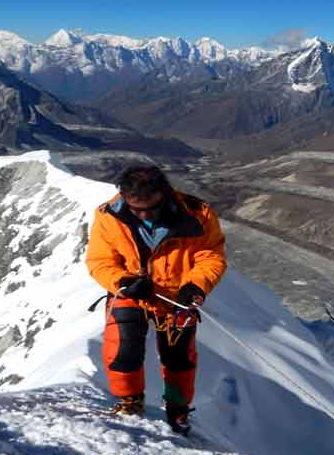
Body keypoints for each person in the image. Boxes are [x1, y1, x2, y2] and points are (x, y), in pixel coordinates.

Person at [85, 164, 227, 435]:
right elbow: (100, 260)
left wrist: (196, 285)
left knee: (179, 358)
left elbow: (211, 255)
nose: (144, 215)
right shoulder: (108, 216)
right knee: (122, 349)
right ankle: (129, 401)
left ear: (164, 193)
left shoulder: (197, 214)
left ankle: (178, 411)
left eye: (150, 208)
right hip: (132, 292)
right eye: (136, 209)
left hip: (177, 296)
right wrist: (122, 282)